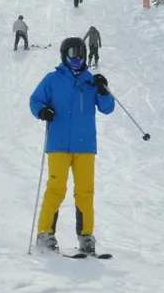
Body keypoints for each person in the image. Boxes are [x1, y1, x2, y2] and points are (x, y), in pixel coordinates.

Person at [30, 38, 115, 254]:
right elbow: (36, 100)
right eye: (72, 52)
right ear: (63, 55)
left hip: (85, 146)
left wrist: (104, 91)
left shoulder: (91, 82)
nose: (77, 57)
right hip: (58, 144)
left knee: (85, 192)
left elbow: (107, 108)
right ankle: (45, 233)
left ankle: (86, 236)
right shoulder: (53, 79)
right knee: (56, 189)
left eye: (81, 52)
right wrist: (42, 111)